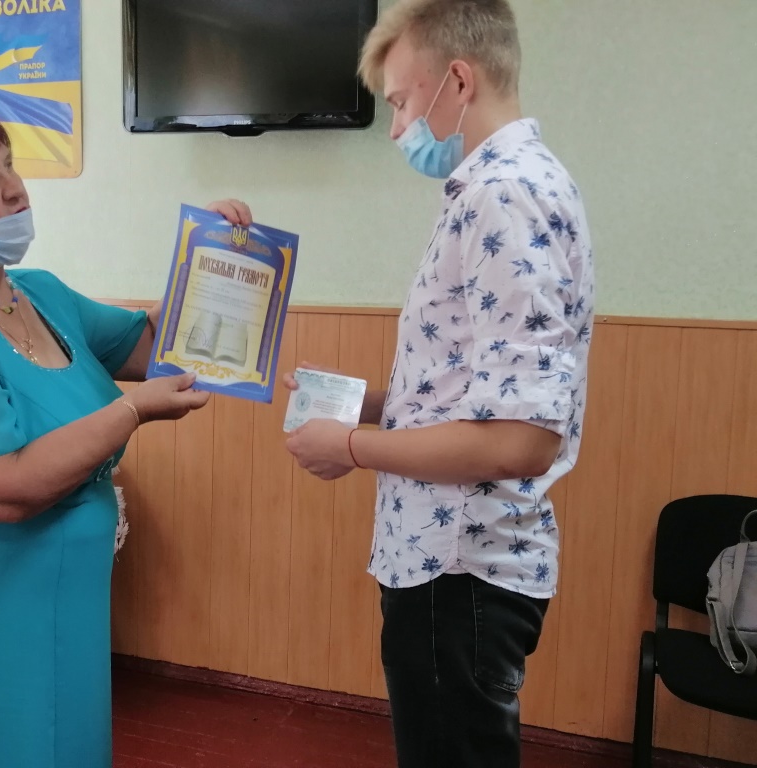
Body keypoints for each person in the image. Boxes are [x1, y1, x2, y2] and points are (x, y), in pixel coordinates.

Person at [0, 91, 252, 768]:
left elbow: (157, 346)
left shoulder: (38, 294)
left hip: (46, 602)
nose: (15, 189)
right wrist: (131, 411)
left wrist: (207, 257)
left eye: (9, 164)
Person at [283, 2, 594, 766]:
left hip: (461, 569)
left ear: (457, 80)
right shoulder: (503, 188)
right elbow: (480, 391)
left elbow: (520, 439)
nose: (396, 130)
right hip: (450, 564)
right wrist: (366, 404)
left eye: (399, 103)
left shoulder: (503, 195)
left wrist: (351, 446)